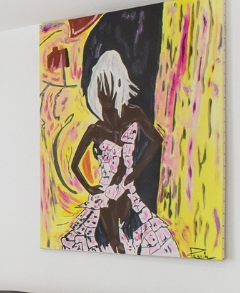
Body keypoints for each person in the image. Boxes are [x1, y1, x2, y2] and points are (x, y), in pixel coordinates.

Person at [56, 50, 180, 256]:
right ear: (95, 90)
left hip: (127, 188)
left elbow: (156, 140)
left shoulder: (134, 113)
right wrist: (90, 187)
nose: (106, 94)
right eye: (101, 87)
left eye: (110, 86)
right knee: (112, 241)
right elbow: (74, 164)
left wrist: (134, 173)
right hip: (105, 193)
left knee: (140, 238)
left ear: (118, 86)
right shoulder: (95, 130)